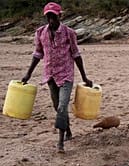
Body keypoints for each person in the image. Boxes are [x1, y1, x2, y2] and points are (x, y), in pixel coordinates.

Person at [22, 2, 92, 153]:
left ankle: (60, 143)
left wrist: (85, 77)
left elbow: (76, 54)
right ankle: (68, 131)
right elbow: (38, 54)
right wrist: (28, 74)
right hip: (50, 75)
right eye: (48, 17)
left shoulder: (69, 33)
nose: (51, 20)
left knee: (62, 106)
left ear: (60, 16)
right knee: (57, 107)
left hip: (66, 74)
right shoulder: (40, 32)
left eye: (54, 16)